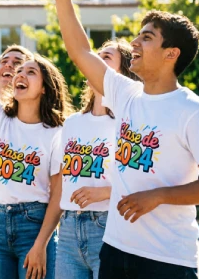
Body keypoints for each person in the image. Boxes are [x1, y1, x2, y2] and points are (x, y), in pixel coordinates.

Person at [41, 0, 199, 279]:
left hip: (168, 261)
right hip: (115, 251)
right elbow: (80, 50)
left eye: (147, 38)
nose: (134, 42)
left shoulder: (194, 111)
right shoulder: (125, 94)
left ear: (171, 54)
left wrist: (159, 196)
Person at [0, 0, 71, 279]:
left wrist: (40, 244)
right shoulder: (0, 118)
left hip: (34, 226)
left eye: (29, 71)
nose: (19, 74)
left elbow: (59, 194)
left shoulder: (57, 132)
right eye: (18, 72)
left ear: (45, 87)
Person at [53, 40, 139, 279]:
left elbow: (142, 181)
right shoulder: (71, 123)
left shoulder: (128, 121)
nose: (93, 63)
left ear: (120, 75)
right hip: (68, 229)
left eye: (105, 58)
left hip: (108, 225)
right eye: (94, 56)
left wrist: (104, 192)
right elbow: (62, 182)